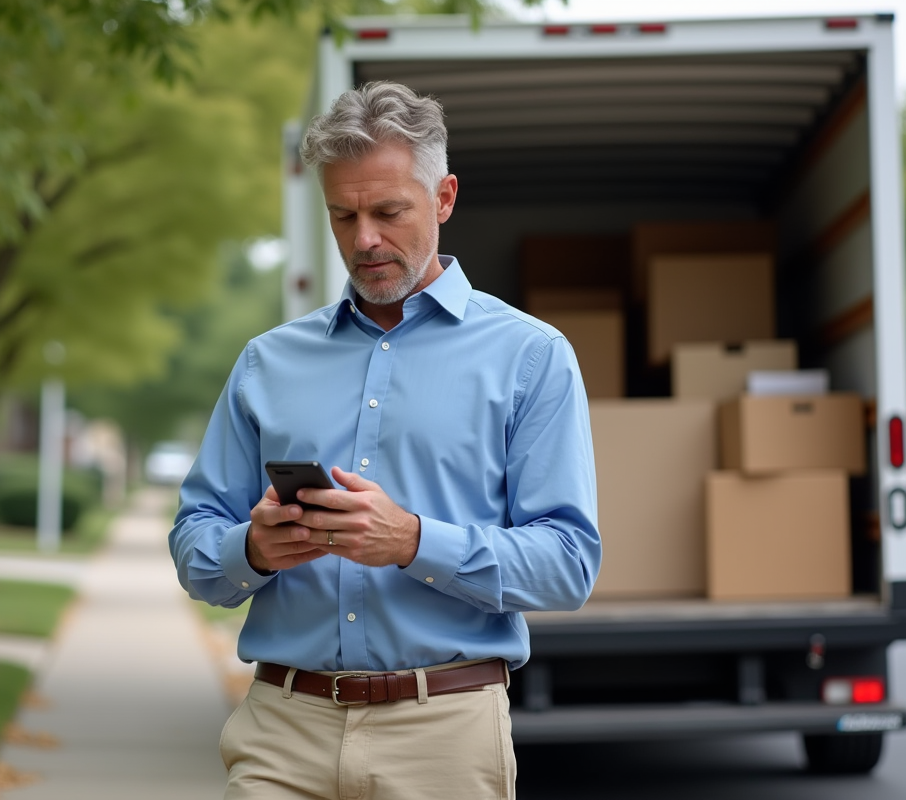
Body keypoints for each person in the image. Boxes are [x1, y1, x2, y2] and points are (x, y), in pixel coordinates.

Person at [170, 80, 601, 800]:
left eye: (388, 211)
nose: (363, 238)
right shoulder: (267, 361)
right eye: (343, 215)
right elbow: (194, 539)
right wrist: (251, 550)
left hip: (445, 735)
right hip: (283, 728)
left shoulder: (531, 357)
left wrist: (410, 540)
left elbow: (567, 564)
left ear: (444, 199)